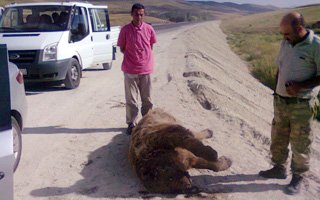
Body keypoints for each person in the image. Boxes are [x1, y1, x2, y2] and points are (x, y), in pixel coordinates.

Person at [259, 12, 320, 195]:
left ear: (300, 29)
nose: (284, 38)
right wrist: (276, 90)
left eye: (287, 34)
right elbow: (280, 66)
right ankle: (278, 168)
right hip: (280, 101)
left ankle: (298, 177)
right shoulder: (285, 42)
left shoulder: (316, 46)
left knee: (301, 142)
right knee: (278, 136)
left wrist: (301, 86)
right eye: (282, 34)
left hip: (302, 104)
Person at [117, 3, 157, 135]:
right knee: (132, 100)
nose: (139, 17)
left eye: (141, 14)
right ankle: (131, 123)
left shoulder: (149, 29)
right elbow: (122, 47)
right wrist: (133, 57)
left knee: (148, 100)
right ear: (131, 14)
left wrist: (143, 58)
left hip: (146, 69)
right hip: (130, 70)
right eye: (136, 14)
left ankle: (147, 122)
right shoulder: (125, 30)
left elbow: (150, 46)